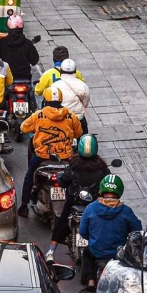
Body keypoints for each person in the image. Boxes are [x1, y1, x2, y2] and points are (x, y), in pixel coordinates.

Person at [17, 86, 84, 219]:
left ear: (45, 100)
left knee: (30, 176)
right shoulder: (71, 116)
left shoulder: (39, 115)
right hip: (65, 158)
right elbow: (79, 133)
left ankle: (24, 205)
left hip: (42, 157)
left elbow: (23, 127)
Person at [48, 134, 112, 261]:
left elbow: (63, 182)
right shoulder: (102, 167)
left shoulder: (73, 165)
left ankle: (51, 251)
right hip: (95, 202)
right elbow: (107, 184)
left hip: (74, 200)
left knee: (62, 221)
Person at [78, 174, 141, 293]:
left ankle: (91, 283)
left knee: (87, 253)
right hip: (118, 254)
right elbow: (136, 231)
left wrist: (95, 240)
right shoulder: (126, 211)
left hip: (97, 251)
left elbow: (82, 232)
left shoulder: (90, 208)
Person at [0, 14, 40, 85]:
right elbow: (34, 61)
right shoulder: (28, 43)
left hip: (7, 77)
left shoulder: (2, 43)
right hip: (25, 77)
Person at [52, 59, 90, 127]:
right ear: (75, 71)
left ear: (61, 71)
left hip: (60, 119)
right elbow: (85, 103)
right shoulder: (82, 85)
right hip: (78, 118)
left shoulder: (55, 86)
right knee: (83, 134)